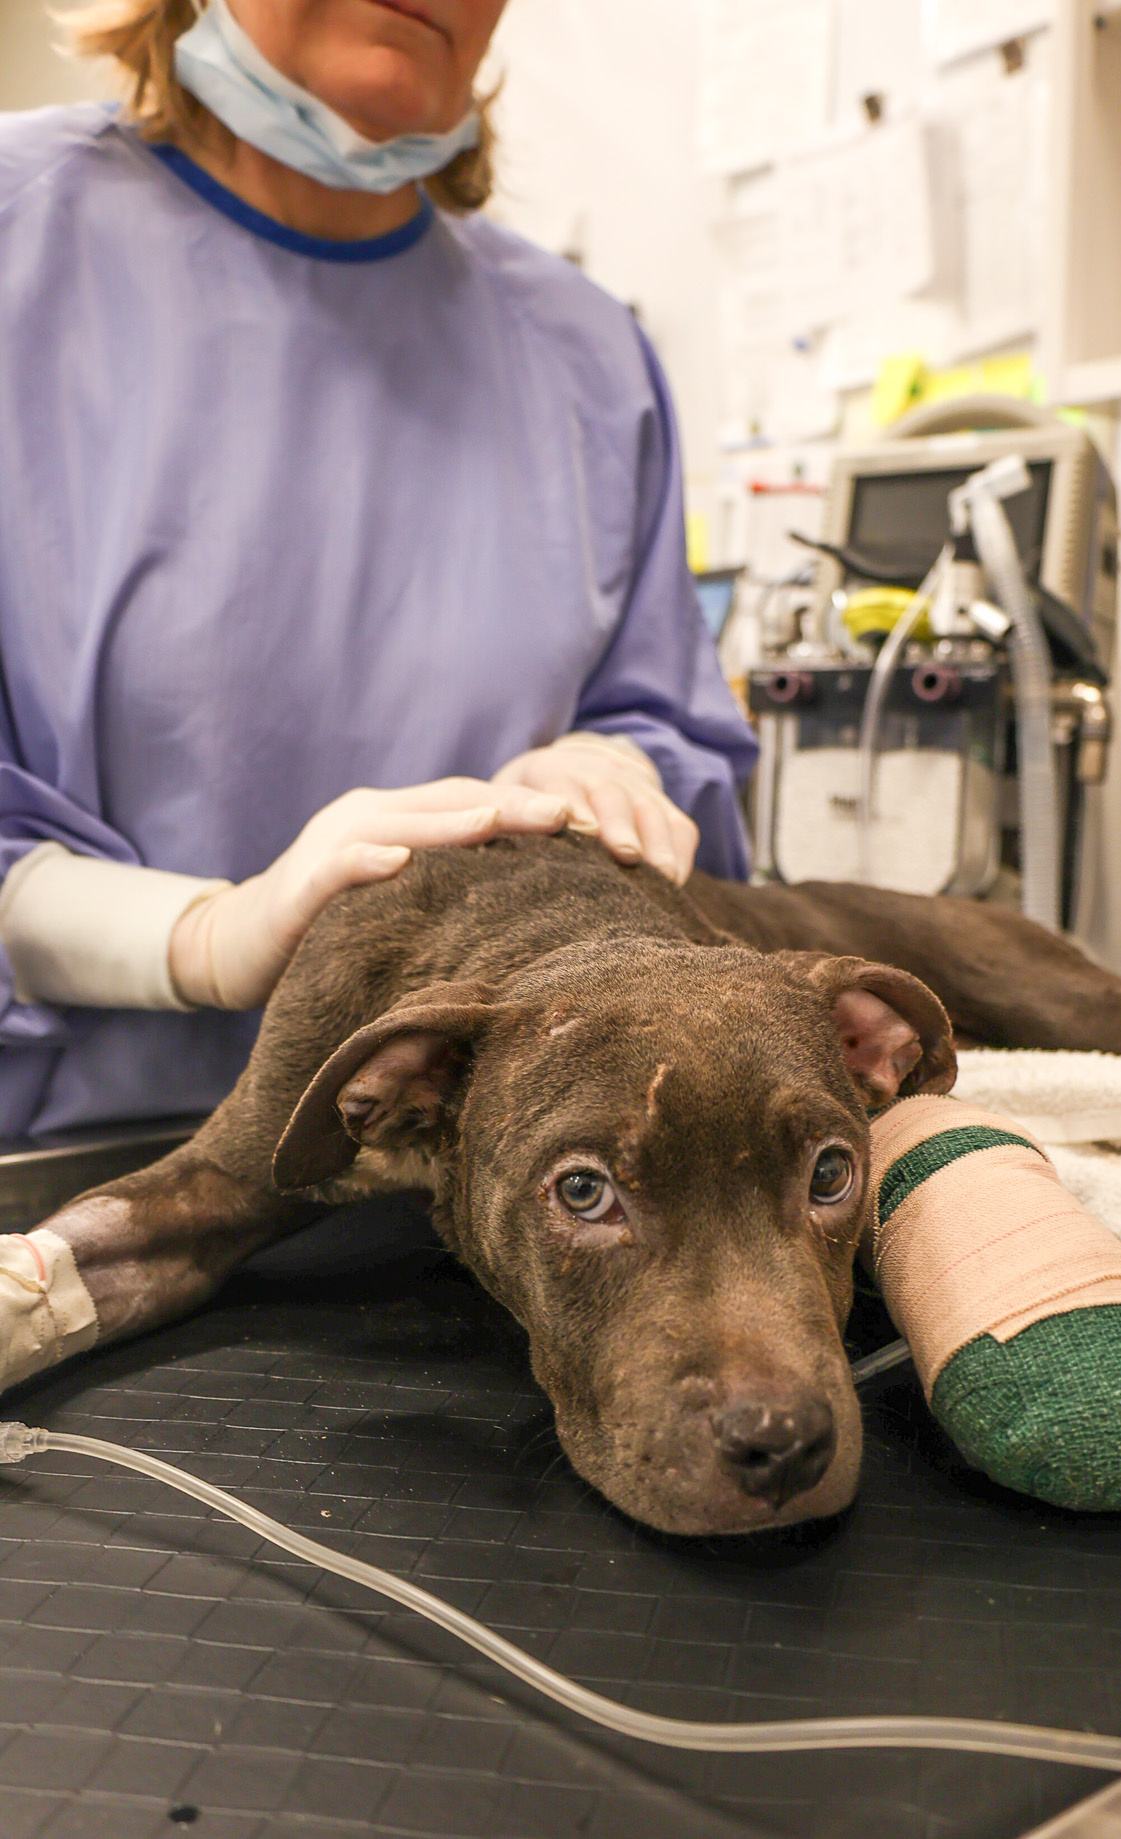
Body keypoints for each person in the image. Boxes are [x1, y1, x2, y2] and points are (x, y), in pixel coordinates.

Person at [0, 0, 757, 1139]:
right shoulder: (23, 245)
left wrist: (612, 766)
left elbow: (666, 726)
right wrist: (203, 937)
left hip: (479, 1186)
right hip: (68, 1183)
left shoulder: (587, 355)